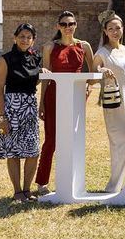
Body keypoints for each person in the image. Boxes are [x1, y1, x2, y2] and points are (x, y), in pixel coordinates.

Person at [35, 10, 94, 195]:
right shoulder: (50, 47)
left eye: (71, 24)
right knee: (51, 140)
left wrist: (88, 90)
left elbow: (92, 75)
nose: (68, 27)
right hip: (53, 95)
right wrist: (42, 102)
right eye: (64, 24)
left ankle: (72, 179)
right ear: (58, 26)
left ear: (76, 25)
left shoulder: (84, 46)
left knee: (74, 139)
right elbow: (45, 77)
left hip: (75, 97)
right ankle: (42, 183)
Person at [0, 23, 44, 203]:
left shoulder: (36, 58)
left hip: (30, 107)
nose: (25, 40)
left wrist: (42, 72)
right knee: (13, 152)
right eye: (22, 36)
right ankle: (17, 192)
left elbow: (34, 81)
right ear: (15, 38)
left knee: (33, 152)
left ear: (33, 40)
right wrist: (2, 117)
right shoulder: (5, 59)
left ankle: (27, 190)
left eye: (29, 37)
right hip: (11, 108)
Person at [92, 11, 125, 193]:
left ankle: (124, 184)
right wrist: (103, 70)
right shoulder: (102, 52)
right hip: (114, 101)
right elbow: (94, 72)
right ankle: (114, 185)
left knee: (124, 141)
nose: (114, 31)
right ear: (105, 31)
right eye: (110, 28)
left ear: (123, 29)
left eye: (117, 28)